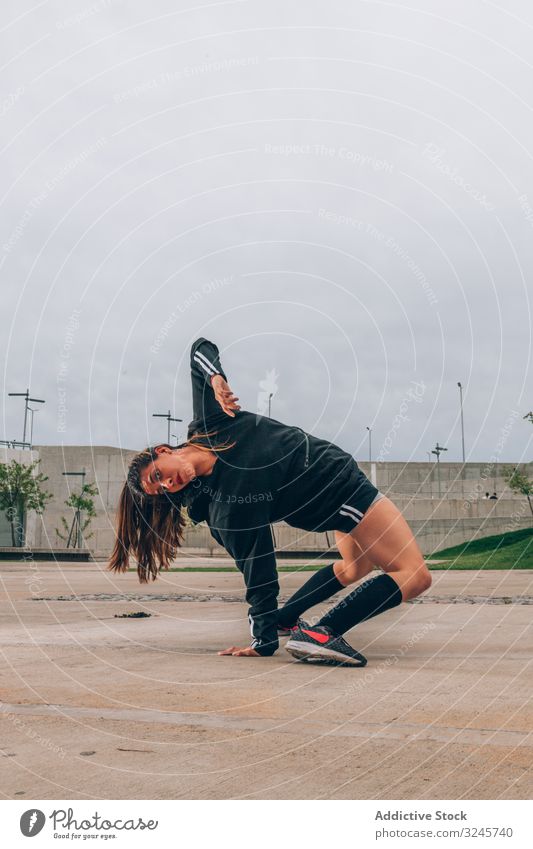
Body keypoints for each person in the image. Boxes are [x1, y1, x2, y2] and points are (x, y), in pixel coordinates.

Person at [108, 337, 432, 666]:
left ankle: (285, 619)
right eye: (161, 489)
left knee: (354, 567)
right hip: (341, 492)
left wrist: (216, 379)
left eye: (158, 476)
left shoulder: (212, 423)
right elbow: (258, 568)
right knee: (415, 575)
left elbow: (199, 350)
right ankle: (324, 632)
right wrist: (261, 641)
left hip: (329, 493)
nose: (167, 484)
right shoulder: (225, 505)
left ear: (163, 452)